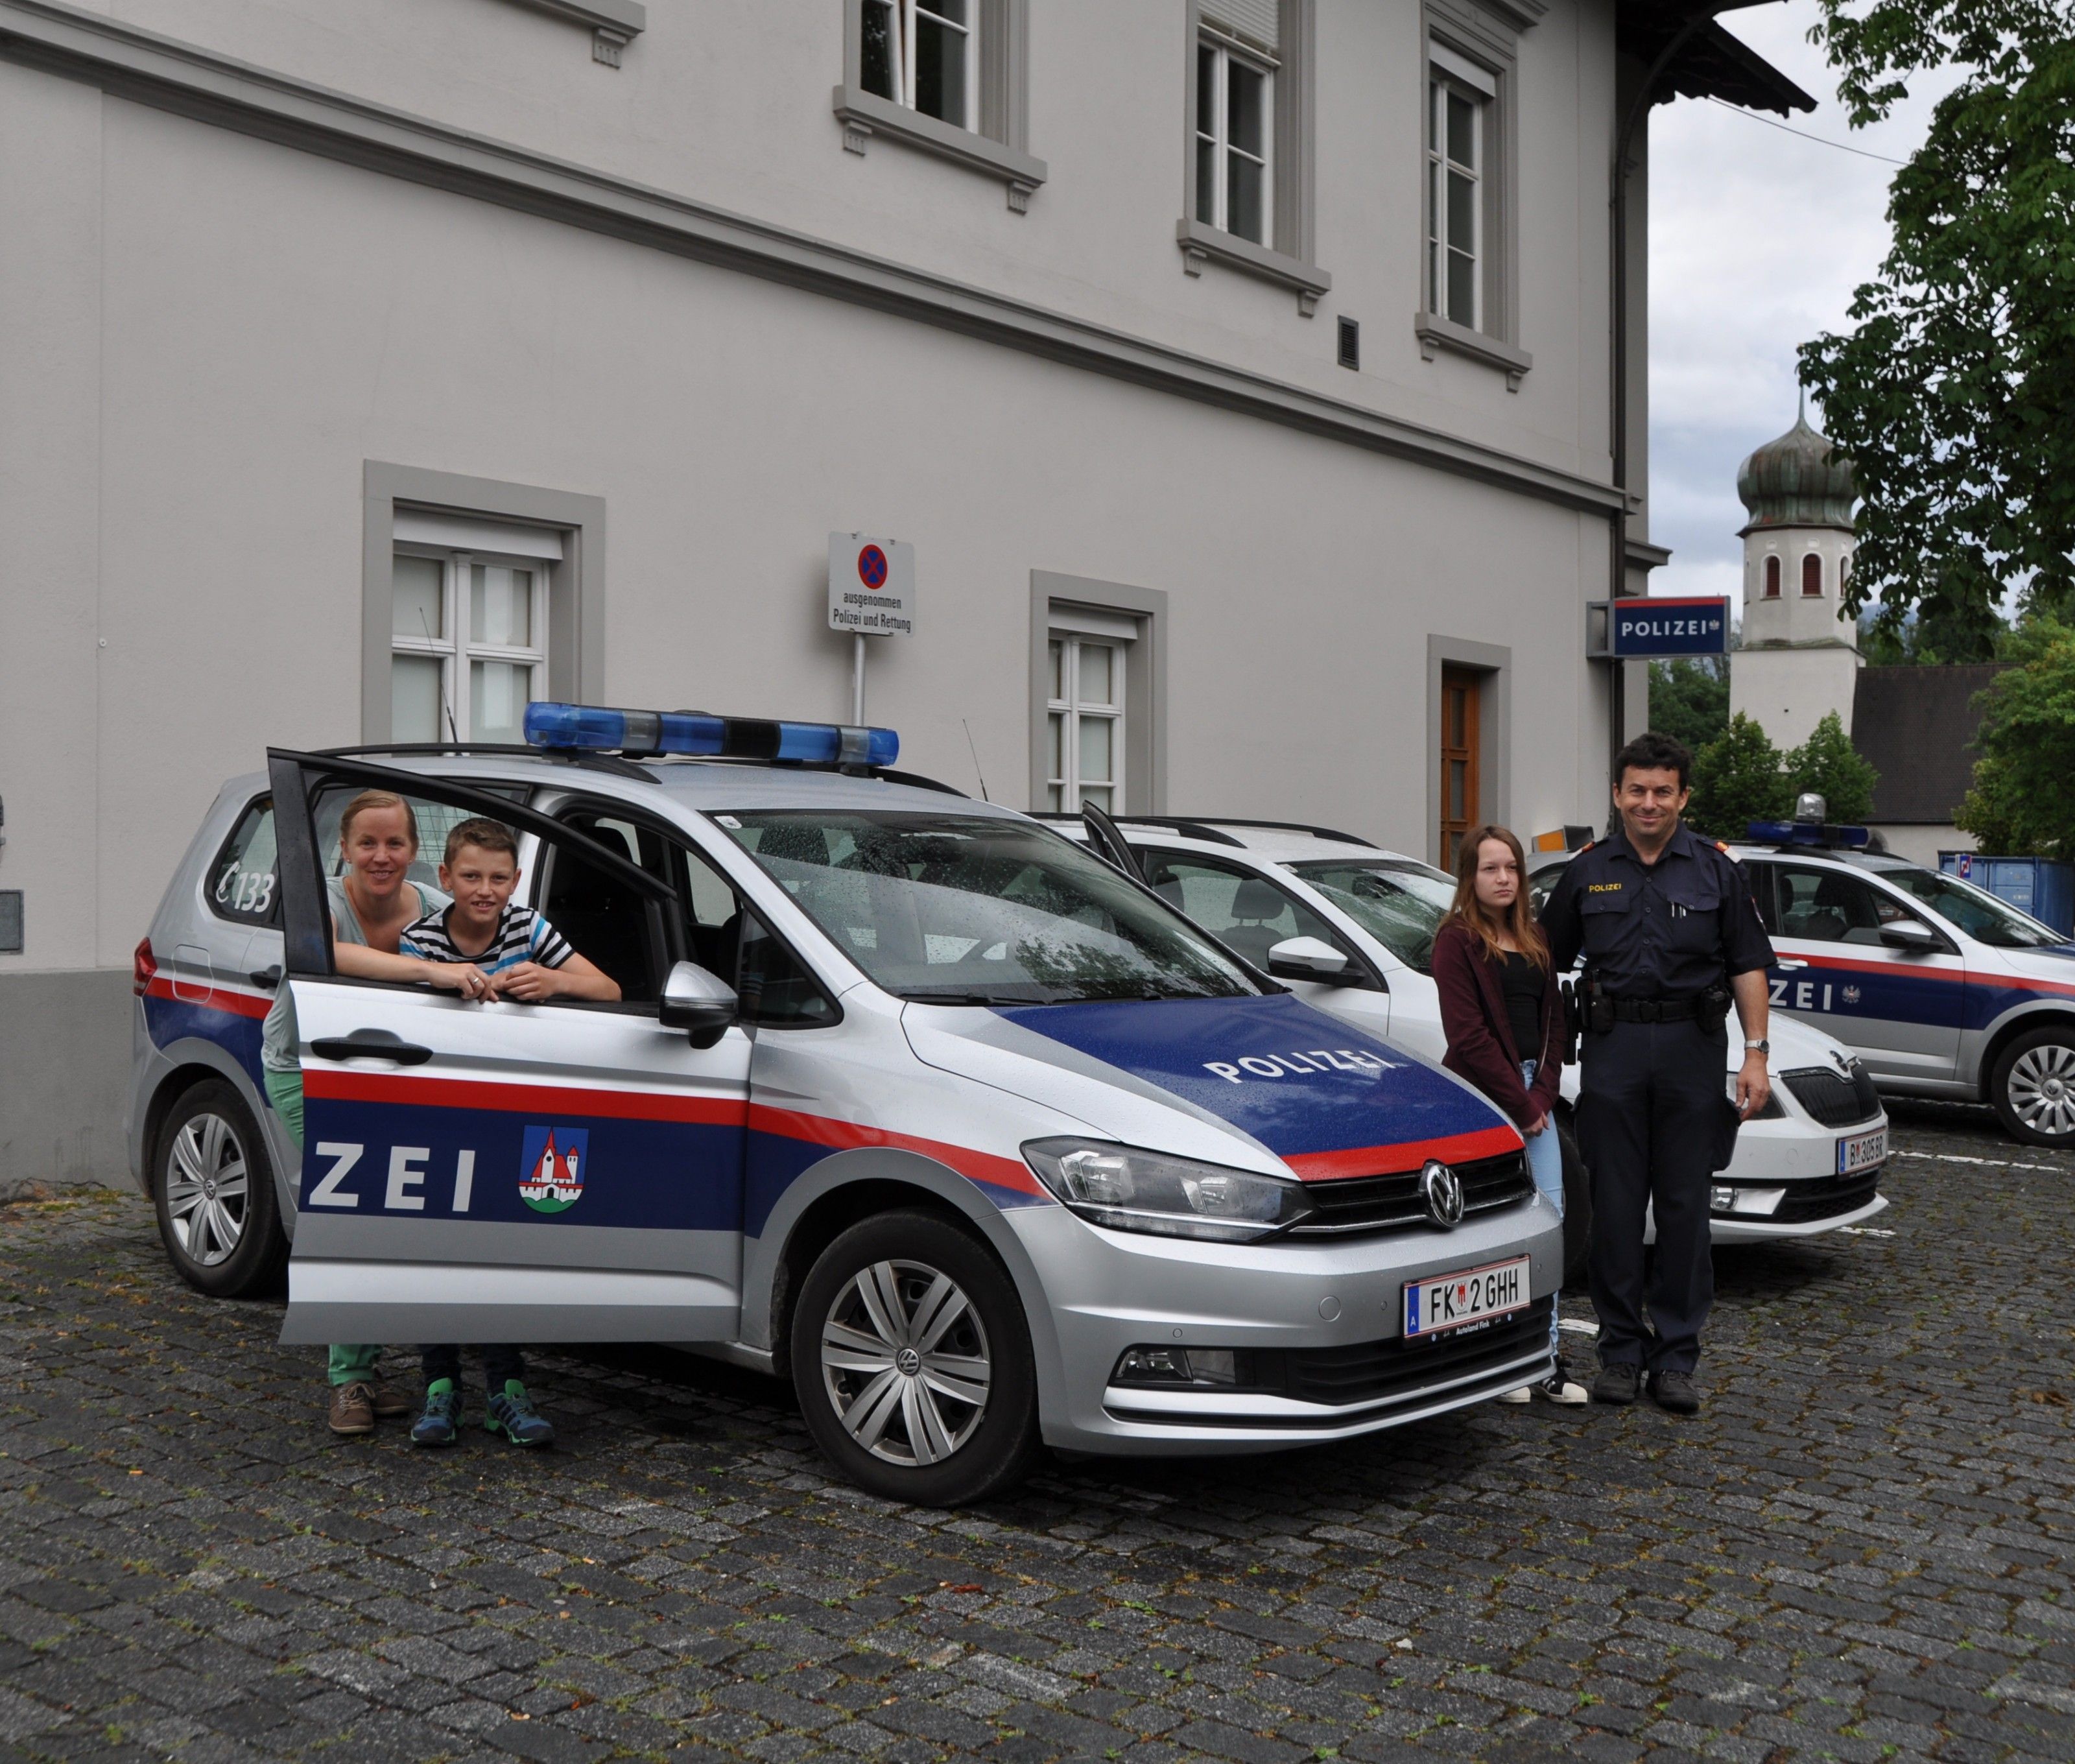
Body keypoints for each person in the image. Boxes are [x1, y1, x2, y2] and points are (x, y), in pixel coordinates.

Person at [1539, 732, 1775, 1416]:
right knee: (1613, 1208)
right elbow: (1540, 959)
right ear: (1616, 794)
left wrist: (1754, 1051)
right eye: (1636, 790)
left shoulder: (1714, 870)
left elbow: (1747, 965)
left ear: (1682, 796)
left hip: (1688, 1049)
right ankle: (1618, 1351)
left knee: (1681, 1209)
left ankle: (1674, 1358)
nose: (1648, 802)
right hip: (1611, 1050)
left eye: (1661, 791)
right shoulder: (1585, 872)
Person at [259, 789, 493, 1436]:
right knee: (355, 1210)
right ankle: (349, 1381)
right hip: (307, 1071)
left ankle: (376, 1367)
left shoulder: (438, 907)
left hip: (395, 1078)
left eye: (395, 843)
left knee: (397, 1213)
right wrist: (430, 971)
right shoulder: (324, 901)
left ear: (415, 851)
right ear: (344, 847)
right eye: (367, 842)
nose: (381, 855)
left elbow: (486, 955)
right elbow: (324, 954)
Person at [398, 816, 620, 1449]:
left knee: (497, 1250)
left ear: (516, 881)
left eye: (498, 877)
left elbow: (607, 987)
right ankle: (440, 1385)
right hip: (440, 1117)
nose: (484, 888)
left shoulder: (530, 929)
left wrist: (552, 982)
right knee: (437, 1252)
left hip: (509, 1116)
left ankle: (505, 1388)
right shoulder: (422, 941)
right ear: (445, 877)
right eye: (470, 875)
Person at [1431, 826, 1588, 1406]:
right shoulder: (1456, 940)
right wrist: (1521, 1103)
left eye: (1512, 869)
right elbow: (1467, 1034)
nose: (1503, 878)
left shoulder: (1537, 938)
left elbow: (1553, 1025)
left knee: (1547, 1224)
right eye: (1490, 869)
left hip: (1534, 1098)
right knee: (1490, 1231)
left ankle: (1542, 1360)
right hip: (1483, 1098)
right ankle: (1496, 1362)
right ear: (1470, 877)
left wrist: (1542, 1094)